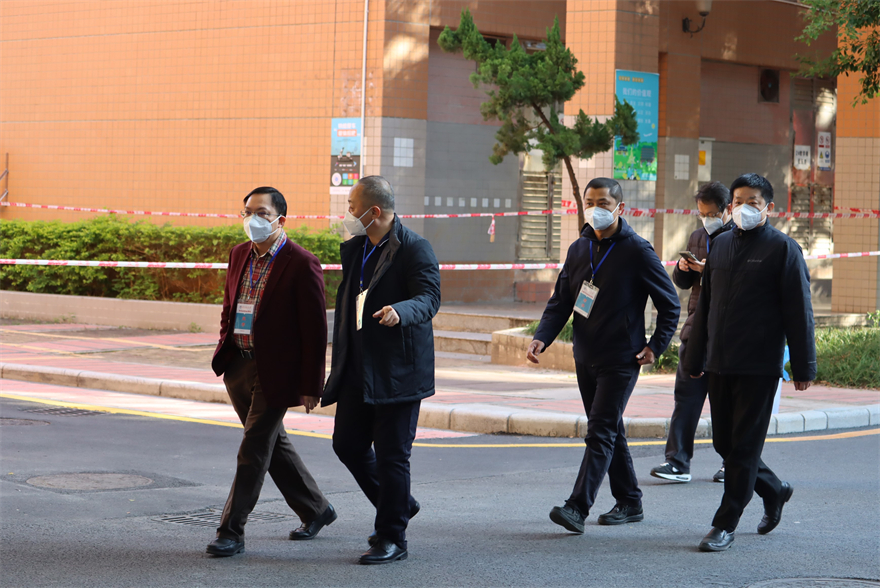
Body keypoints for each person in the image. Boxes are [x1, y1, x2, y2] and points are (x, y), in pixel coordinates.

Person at [527, 177, 680, 534]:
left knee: (599, 431)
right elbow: (561, 300)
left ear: (620, 208)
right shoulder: (578, 249)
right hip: (586, 355)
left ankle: (577, 507)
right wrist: (541, 338)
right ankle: (630, 500)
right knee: (610, 430)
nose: (596, 210)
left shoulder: (637, 250)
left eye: (604, 204)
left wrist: (655, 345)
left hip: (622, 358)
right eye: (590, 203)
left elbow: (670, 303)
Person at [682, 173, 816, 552]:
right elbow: (706, 308)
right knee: (725, 443)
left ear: (768, 207)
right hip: (719, 363)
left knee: (742, 448)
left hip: (759, 365)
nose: (744, 208)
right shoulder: (721, 245)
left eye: (753, 202)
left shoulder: (783, 249)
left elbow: (799, 312)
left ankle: (724, 524)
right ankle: (773, 489)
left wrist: (803, 366)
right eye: (738, 201)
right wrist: (695, 356)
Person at [207, 186, 335, 557]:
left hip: (276, 371)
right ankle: (316, 509)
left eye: (261, 213)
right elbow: (230, 306)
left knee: (253, 447)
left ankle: (231, 531)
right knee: (270, 442)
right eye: (247, 212)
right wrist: (226, 346)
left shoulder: (302, 263)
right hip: (238, 364)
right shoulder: (239, 254)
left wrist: (312, 384)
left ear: (281, 219)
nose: (253, 219)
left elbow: (315, 331)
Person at [323, 176, 441, 565]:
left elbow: (429, 297)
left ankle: (392, 537)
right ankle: (399, 503)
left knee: (392, 457)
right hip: (357, 367)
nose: (348, 213)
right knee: (347, 445)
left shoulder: (414, 248)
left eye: (352, 207)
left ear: (374, 211)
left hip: (398, 370)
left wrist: (400, 311)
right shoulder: (358, 248)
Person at [651, 182, 733, 485]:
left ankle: (733, 463)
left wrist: (708, 271)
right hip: (695, 329)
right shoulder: (698, 237)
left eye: (711, 214)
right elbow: (683, 283)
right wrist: (684, 269)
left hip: (726, 333)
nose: (706, 219)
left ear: (727, 210)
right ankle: (677, 463)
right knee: (685, 398)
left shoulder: (740, 238)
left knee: (726, 405)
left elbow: (738, 284)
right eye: (701, 214)